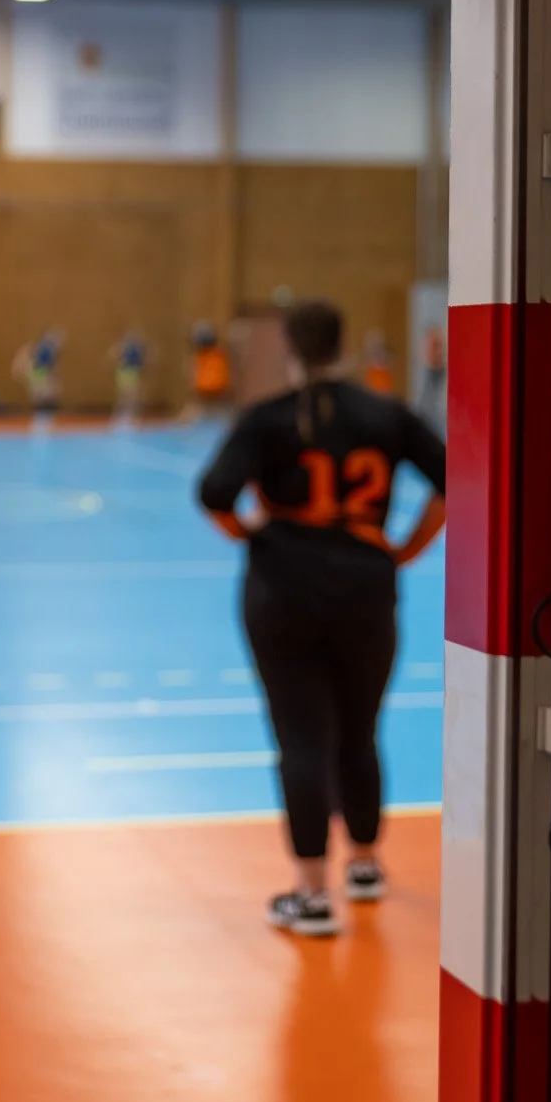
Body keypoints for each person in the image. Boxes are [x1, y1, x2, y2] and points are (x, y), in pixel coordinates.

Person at [197, 298, 446, 938]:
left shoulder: (267, 420)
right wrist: (405, 550)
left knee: (301, 739)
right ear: (345, 347)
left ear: (289, 348)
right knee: (360, 730)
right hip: (366, 588)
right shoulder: (386, 415)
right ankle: (364, 865)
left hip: (281, 593)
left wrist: (254, 536)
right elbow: (456, 479)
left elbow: (213, 494)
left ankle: (311, 895)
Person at [13, 329, 64, 430]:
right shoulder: (39, 350)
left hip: (39, 374)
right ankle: (41, 421)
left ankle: (44, 421)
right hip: (39, 374)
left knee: (46, 398)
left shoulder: (44, 352)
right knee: (43, 398)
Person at [183, 320, 231, 420]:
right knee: (205, 407)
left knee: (202, 407)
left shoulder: (213, 356)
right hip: (213, 386)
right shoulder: (217, 355)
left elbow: (193, 374)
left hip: (210, 387)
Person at [110, 330, 147, 427]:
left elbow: (142, 361)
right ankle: (120, 416)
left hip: (134, 372)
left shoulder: (138, 348)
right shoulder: (123, 347)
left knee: (133, 396)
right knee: (124, 396)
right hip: (125, 372)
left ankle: (132, 417)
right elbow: (114, 355)